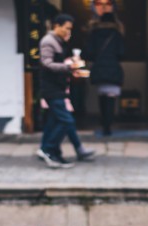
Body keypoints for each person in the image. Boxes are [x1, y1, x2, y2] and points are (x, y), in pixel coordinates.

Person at [37, 14, 94, 168]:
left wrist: (70, 70)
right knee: (66, 120)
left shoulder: (58, 41)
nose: (69, 31)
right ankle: (48, 150)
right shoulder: (48, 42)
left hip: (58, 87)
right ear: (57, 26)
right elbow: (47, 64)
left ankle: (54, 153)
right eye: (67, 28)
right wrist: (69, 67)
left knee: (54, 121)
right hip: (52, 88)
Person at [83, 8, 124, 136]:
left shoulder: (94, 33)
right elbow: (121, 53)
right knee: (111, 100)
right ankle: (108, 125)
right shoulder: (117, 34)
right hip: (113, 69)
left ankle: (103, 123)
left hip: (99, 68)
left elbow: (89, 53)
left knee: (102, 98)